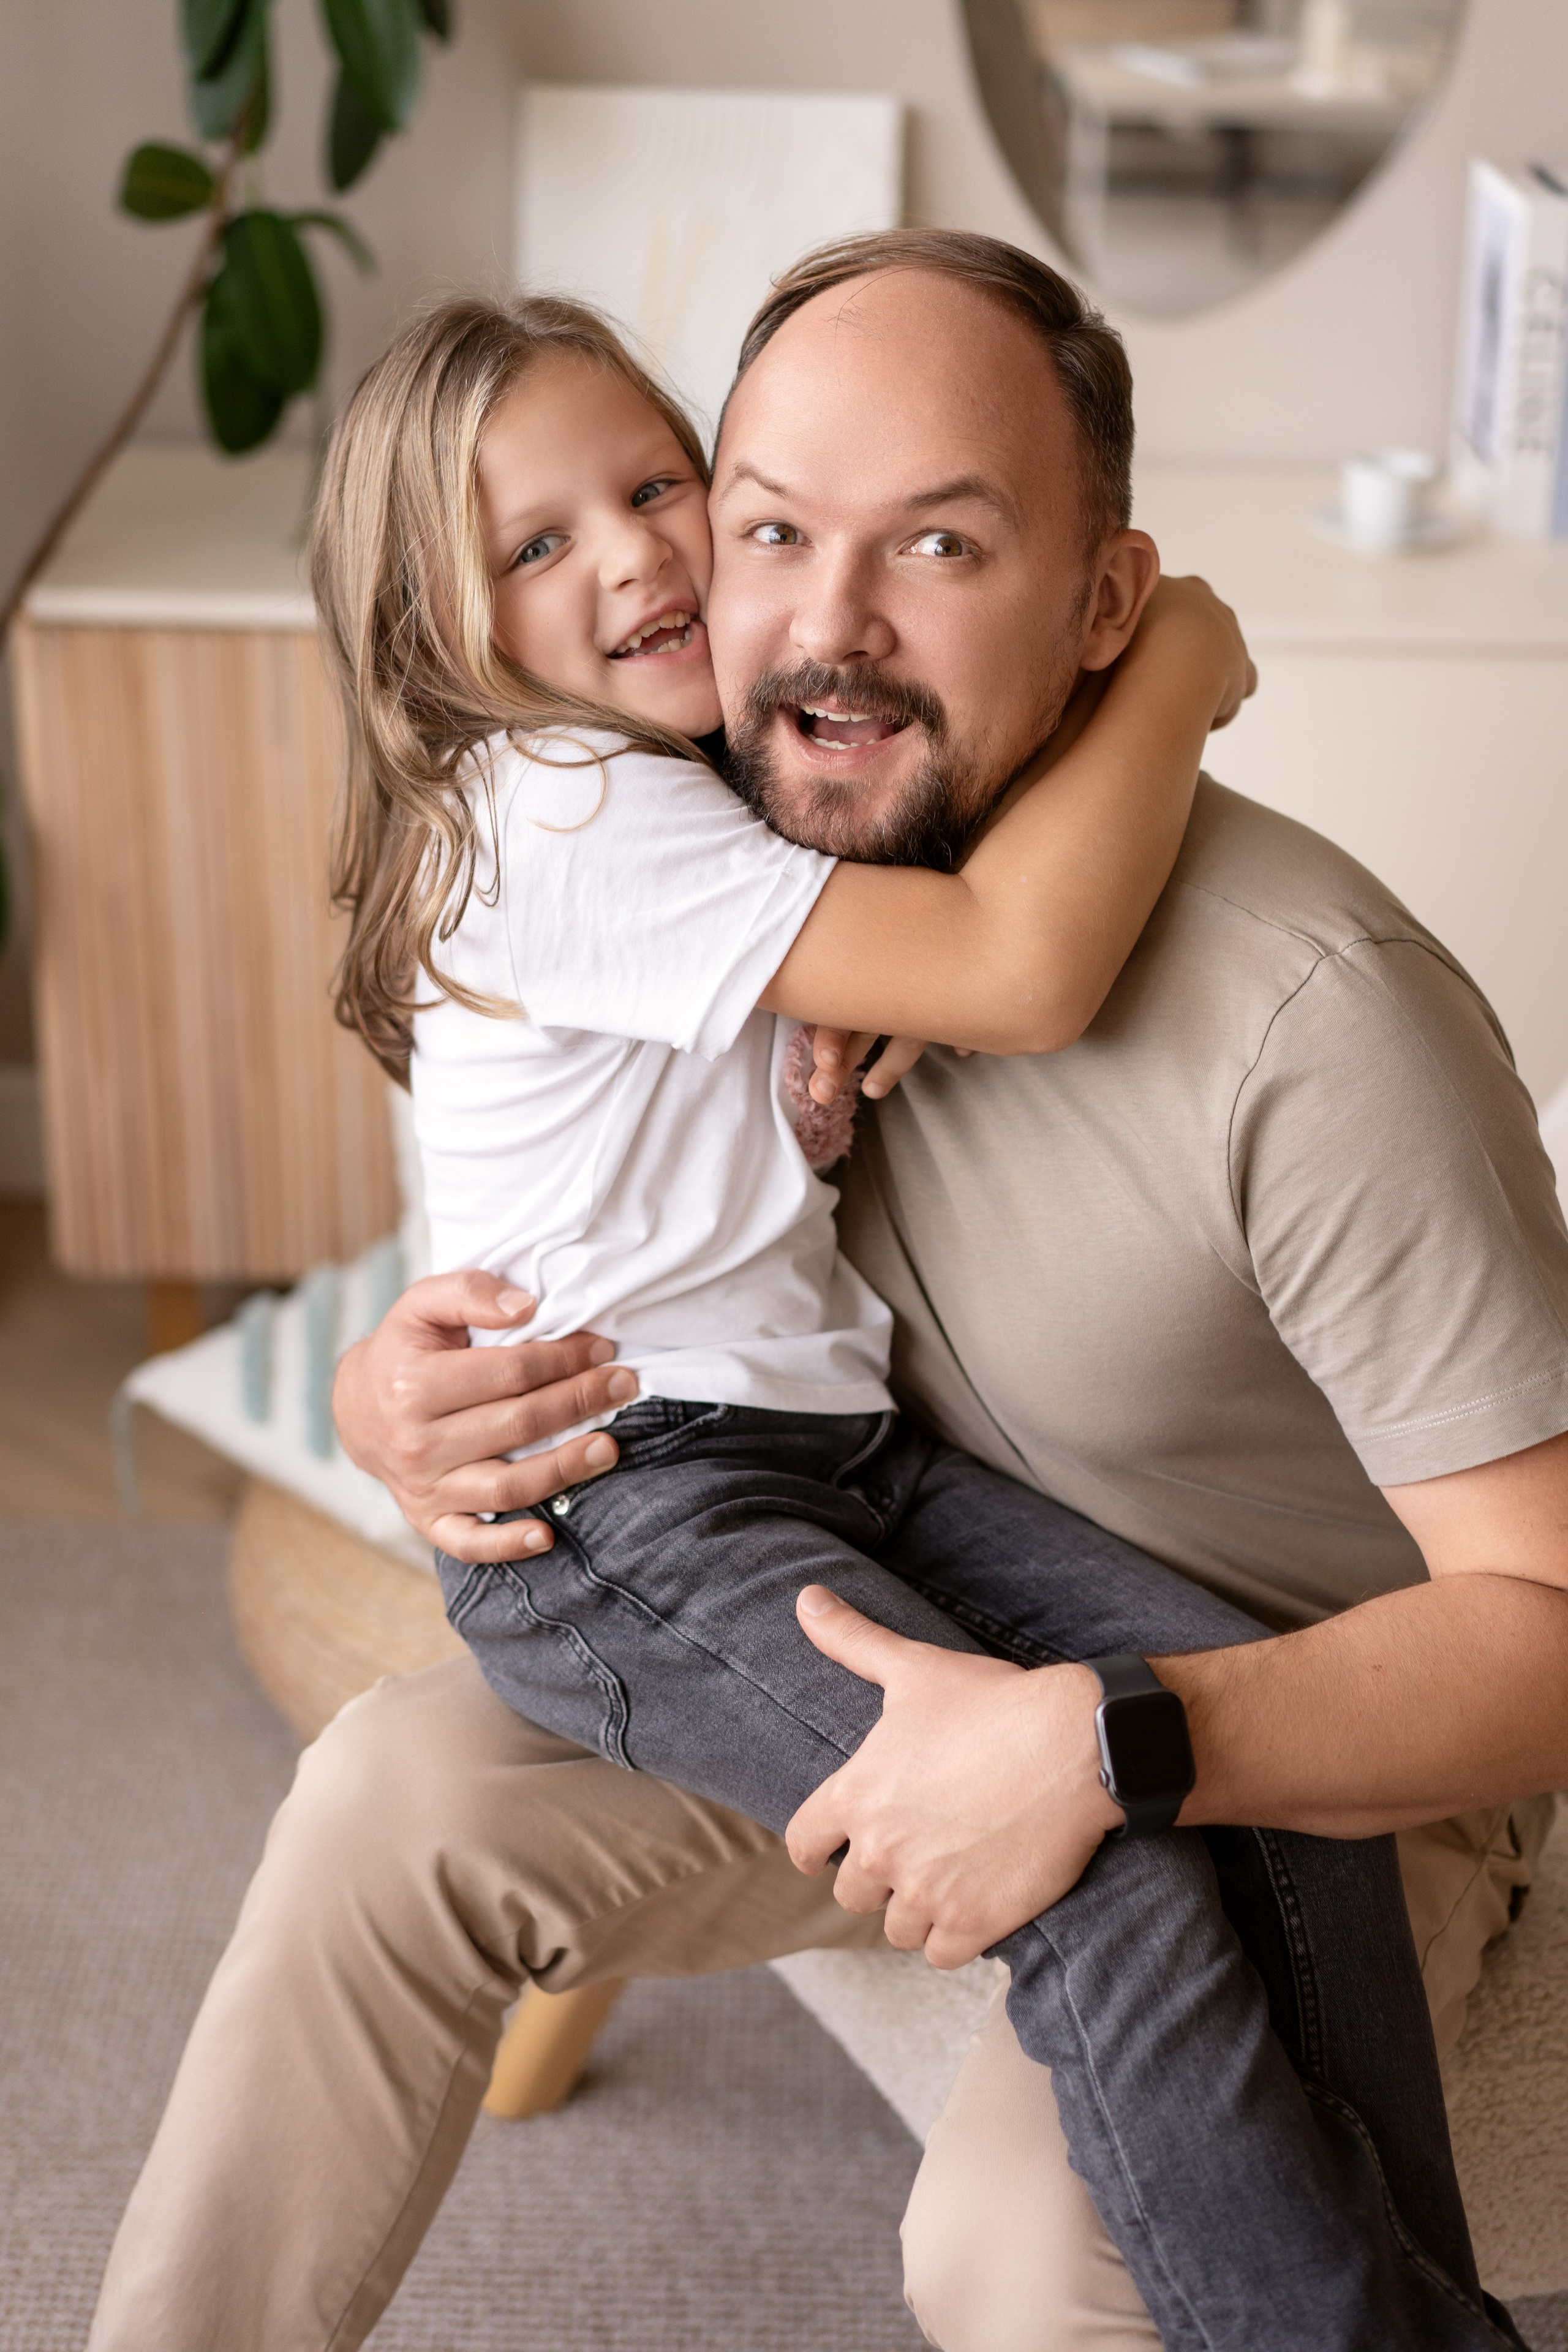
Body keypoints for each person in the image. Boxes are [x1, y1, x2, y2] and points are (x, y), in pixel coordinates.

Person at [87, 232, 1568, 2352]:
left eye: (940, 544)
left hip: (1309, 1716)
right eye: (774, 526)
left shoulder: (1313, 1023)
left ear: (1100, 600)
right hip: (873, 1567)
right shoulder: (741, 835)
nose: (823, 623)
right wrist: (397, 1403)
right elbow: (566, 1180)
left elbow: (1547, 1631)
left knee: (1016, 2261)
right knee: (385, 1803)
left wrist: (1122, 1742)